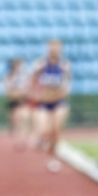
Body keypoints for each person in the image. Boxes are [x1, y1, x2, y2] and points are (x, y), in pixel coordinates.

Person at [30, 39, 72, 173]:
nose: (54, 50)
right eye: (52, 47)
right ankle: (41, 139)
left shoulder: (64, 65)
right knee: (45, 131)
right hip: (44, 102)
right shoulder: (41, 64)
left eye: (57, 48)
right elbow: (32, 79)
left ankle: (52, 157)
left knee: (56, 131)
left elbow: (68, 81)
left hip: (59, 102)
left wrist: (65, 91)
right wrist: (35, 93)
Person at [2, 58, 30, 149]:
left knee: (24, 118)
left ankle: (22, 139)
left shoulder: (25, 76)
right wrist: (16, 94)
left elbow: (28, 89)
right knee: (16, 122)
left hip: (24, 102)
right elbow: (7, 92)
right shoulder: (8, 77)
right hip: (14, 103)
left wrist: (20, 93)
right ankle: (18, 138)